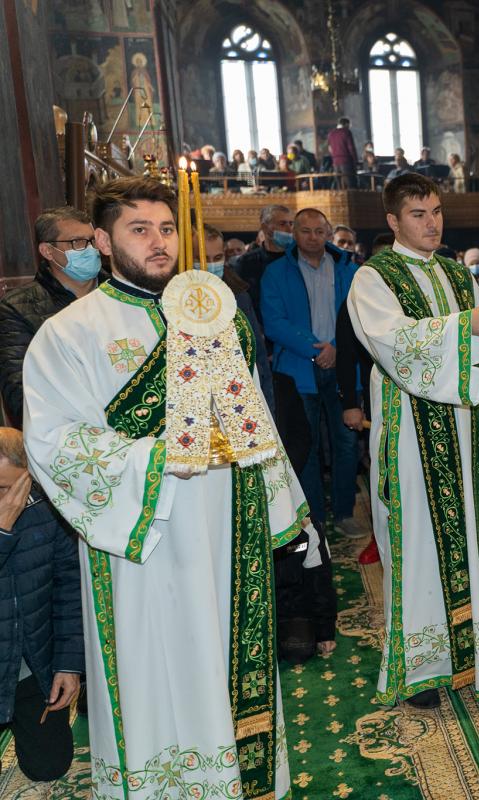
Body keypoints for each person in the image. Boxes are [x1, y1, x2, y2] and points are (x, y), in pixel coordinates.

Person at [22, 177, 307, 799]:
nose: (159, 243)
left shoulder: (213, 318)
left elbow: (253, 415)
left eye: (168, 229)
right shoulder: (70, 334)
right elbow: (56, 443)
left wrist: (285, 508)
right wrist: (160, 458)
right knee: (161, 667)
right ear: (101, 241)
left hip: (229, 525)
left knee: (229, 655)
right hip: (142, 540)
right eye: (139, 230)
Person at [346, 173, 479, 710]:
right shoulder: (372, 278)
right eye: (419, 214)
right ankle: (425, 667)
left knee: (476, 538)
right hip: (411, 432)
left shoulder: (456, 273)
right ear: (394, 221)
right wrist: (465, 324)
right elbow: (391, 343)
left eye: (437, 211)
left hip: (468, 430)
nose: (433, 222)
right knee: (419, 544)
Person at [260, 208, 365, 538]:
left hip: (343, 367)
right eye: (305, 231)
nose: (312, 237)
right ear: (295, 235)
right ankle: (313, 516)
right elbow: (274, 322)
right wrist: (315, 348)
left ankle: (345, 512)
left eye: (319, 231)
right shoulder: (276, 273)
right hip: (297, 369)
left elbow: (361, 313)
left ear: (328, 233)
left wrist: (335, 347)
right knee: (306, 446)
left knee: (346, 442)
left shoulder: (349, 270)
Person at [0, 428, 83, 783]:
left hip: (28, 665)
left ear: (28, 479)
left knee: (49, 767)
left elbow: (70, 592)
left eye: (6, 489)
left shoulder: (48, 509)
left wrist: (68, 665)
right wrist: (2, 530)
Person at [0, 207, 100, 425]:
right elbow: (20, 393)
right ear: (47, 251)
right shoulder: (17, 308)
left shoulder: (118, 293)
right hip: (65, 432)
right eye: (77, 243)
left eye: (92, 241)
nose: (90, 250)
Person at [194, 224, 275, 415]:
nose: (211, 265)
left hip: (240, 399)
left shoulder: (238, 294)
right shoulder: (174, 298)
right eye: (203, 259)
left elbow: (258, 356)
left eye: (217, 258)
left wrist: (267, 408)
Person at [231, 204, 294, 312]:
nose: (289, 229)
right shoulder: (246, 263)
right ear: (265, 228)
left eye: (291, 223)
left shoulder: (298, 259)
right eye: (282, 224)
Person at [328, 117, 358, 189]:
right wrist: (355, 160)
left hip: (335, 163)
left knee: (339, 186)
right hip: (346, 162)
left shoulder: (331, 133)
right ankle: (352, 200)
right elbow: (351, 148)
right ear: (346, 124)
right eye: (349, 125)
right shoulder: (346, 132)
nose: (349, 127)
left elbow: (330, 149)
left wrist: (334, 157)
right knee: (351, 185)